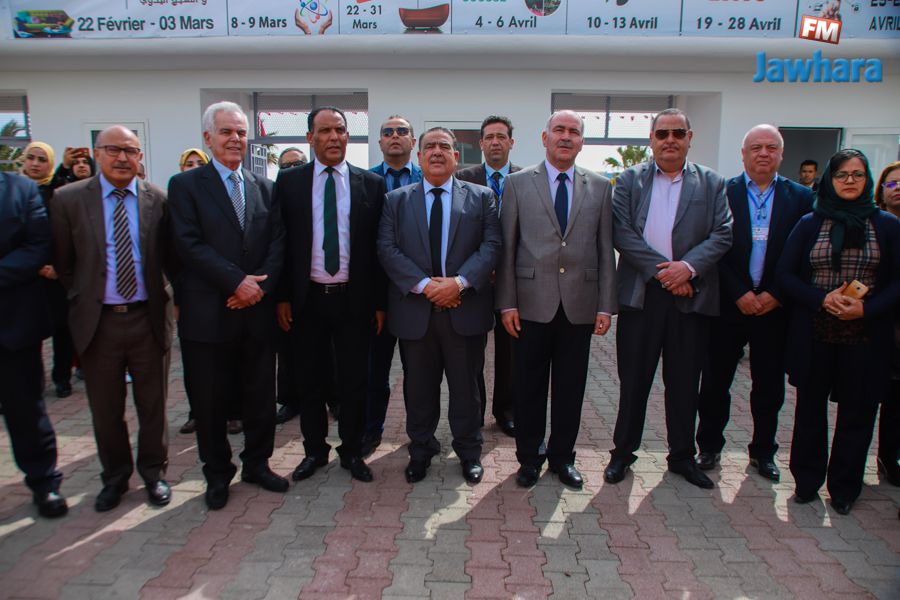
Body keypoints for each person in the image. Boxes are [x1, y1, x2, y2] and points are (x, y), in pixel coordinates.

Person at [169, 102, 288, 510]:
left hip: (255, 312)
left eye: (240, 132)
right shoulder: (185, 186)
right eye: (226, 132)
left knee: (260, 396)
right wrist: (236, 281)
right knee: (210, 400)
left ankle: (257, 464)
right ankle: (217, 474)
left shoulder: (264, 187)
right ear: (208, 138)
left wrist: (257, 288)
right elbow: (187, 244)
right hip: (208, 313)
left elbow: (278, 243)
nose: (235, 139)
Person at [607, 108, 733, 490]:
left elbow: (723, 233)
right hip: (642, 296)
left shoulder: (712, 183)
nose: (670, 140)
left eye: (678, 133)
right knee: (634, 382)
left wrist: (687, 269)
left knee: (684, 384)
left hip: (690, 298)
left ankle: (682, 457)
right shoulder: (630, 180)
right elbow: (621, 232)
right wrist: (666, 273)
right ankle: (622, 453)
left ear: (690, 138)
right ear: (652, 139)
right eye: (662, 134)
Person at [51, 126, 175, 512]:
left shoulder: (158, 199)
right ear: (97, 153)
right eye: (113, 149)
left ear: (140, 157)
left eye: (131, 151)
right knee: (106, 408)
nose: (122, 158)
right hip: (98, 322)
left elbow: (169, 257)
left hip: (147, 318)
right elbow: (64, 263)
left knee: (153, 405)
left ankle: (153, 472)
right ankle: (115, 477)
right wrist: (86, 299)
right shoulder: (68, 199)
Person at [496, 111, 615, 489]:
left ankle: (563, 457)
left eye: (573, 132)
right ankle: (529, 458)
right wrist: (507, 303)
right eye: (559, 130)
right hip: (530, 304)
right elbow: (507, 247)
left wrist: (605, 305)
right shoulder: (517, 183)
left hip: (580, 305)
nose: (566, 137)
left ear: (582, 142)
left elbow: (605, 248)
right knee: (528, 387)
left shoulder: (600, 186)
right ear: (544, 137)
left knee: (570, 388)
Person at [778, 149, 900, 515]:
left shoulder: (887, 226)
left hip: (866, 334)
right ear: (830, 180)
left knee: (858, 413)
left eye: (857, 174)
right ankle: (806, 481)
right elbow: (785, 275)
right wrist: (820, 299)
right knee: (810, 411)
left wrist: (866, 308)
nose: (849, 181)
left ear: (867, 180)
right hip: (815, 331)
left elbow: (897, 283)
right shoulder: (810, 223)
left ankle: (845, 487)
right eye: (842, 174)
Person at [378, 127, 500, 484]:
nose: (436, 151)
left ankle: (469, 451)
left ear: (455, 156)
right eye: (429, 146)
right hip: (416, 313)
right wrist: (425, 286)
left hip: (465, 309)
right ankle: (421, 450)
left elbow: (492, 245)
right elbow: (387, 249)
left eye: (444, 146)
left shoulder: (481, 197)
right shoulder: (396, 200)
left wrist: (458, 283)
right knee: (418, 389)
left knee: (466, 389)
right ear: (419, 157)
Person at [696, 125, 813, 481]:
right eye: (756, 147)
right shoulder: (722, 192)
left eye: (771, 147)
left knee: (769, 386)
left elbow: (806, 253)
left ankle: (763, 452)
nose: (764, 153)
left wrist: (777, 293)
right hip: (728, 305)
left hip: (775, 307)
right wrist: (738, 292)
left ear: (781, 154)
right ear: (743, 153)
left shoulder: (801, 198)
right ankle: (709, 446)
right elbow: (711, 247)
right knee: (715, 382)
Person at [276, 106, 386, 484]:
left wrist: (379, 303)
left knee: (354, 381)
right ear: (310, 138)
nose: (334, 137)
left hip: (354, 300)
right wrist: (283, 297)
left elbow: (377, 250)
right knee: (310, 380)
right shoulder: (289, 184)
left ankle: (351, 451)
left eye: (340, 129)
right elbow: (281, 244)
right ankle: (314, 451)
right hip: (307, 299)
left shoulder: (370, 184)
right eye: (325, 131)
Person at [0, 172, 68, 518]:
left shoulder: (20, 190)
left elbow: (38, 246)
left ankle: (44, 481)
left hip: (12, 326)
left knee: (26, 410)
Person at [456, 115, 521, 438]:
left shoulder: (526, 179)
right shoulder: (462, 178)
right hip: (476, 281)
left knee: (511, 351)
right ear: (481, 143)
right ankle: (475, 412)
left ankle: (506, 411)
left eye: (501, 136)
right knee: (472, 352)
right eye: (489, 137)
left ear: (511, 142)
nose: (495, 142)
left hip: (514, 281)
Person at [363, 115, 423, 456]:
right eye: (388, 132)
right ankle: (371, 431)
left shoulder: (429, 177)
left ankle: (420, 437)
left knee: (419, 373)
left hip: (418, 293)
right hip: (377, 294)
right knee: (375, 371)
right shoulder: (364, 181)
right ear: (380, 142)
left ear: (413, 141)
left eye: (402, 131)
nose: (395, 136)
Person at [21, 141, 75, 398]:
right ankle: (31, 381)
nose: (35, 164)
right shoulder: (12, 192)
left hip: (54, 274)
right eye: (31, 158)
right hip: (24, 276)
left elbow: (63, 232)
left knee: (62, 328)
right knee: (26, 331)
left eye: (42, 159)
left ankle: (62, 377)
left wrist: (56, 265)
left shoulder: (56, 192)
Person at [174, 147, 210, 436]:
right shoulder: (178, 193)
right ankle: (198, 413)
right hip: (196, 297)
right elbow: (179, 249)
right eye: (190, 163)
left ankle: (233, 412)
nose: (195, 166)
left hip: (240, 295)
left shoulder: (251, 188)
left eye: (200, 162)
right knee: (199, 368)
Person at [874, 161, 900, 486]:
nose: (898, 188)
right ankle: (886, 455)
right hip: (879, 318)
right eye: (892, 183)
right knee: (887, 391)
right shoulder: (874, 224)